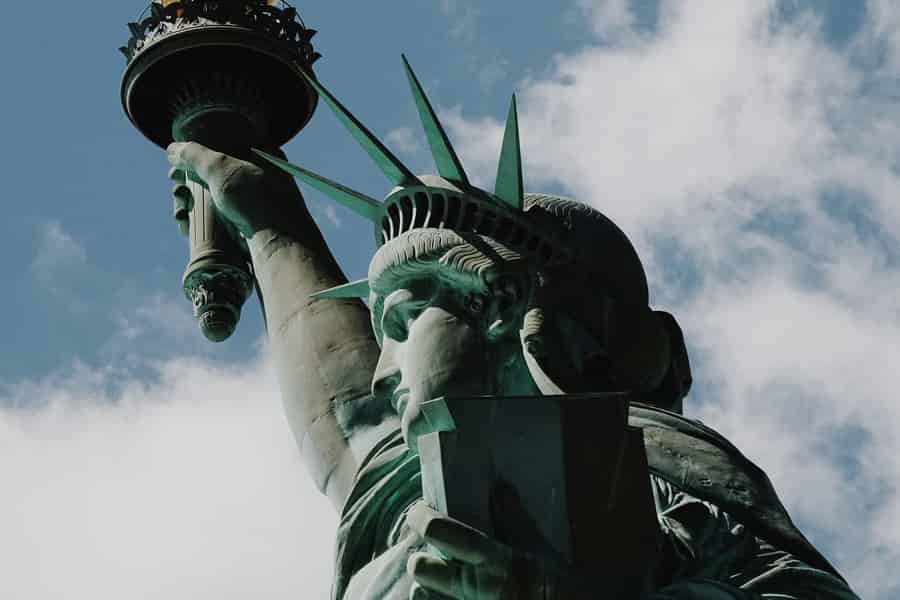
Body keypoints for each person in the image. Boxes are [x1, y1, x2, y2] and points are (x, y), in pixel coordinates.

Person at [166, 60, 860, 600]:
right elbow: (348, 419)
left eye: (403, 322)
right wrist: (267, 218)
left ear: (503, 305)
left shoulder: (663, 473)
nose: (382, 369)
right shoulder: (405, 493)